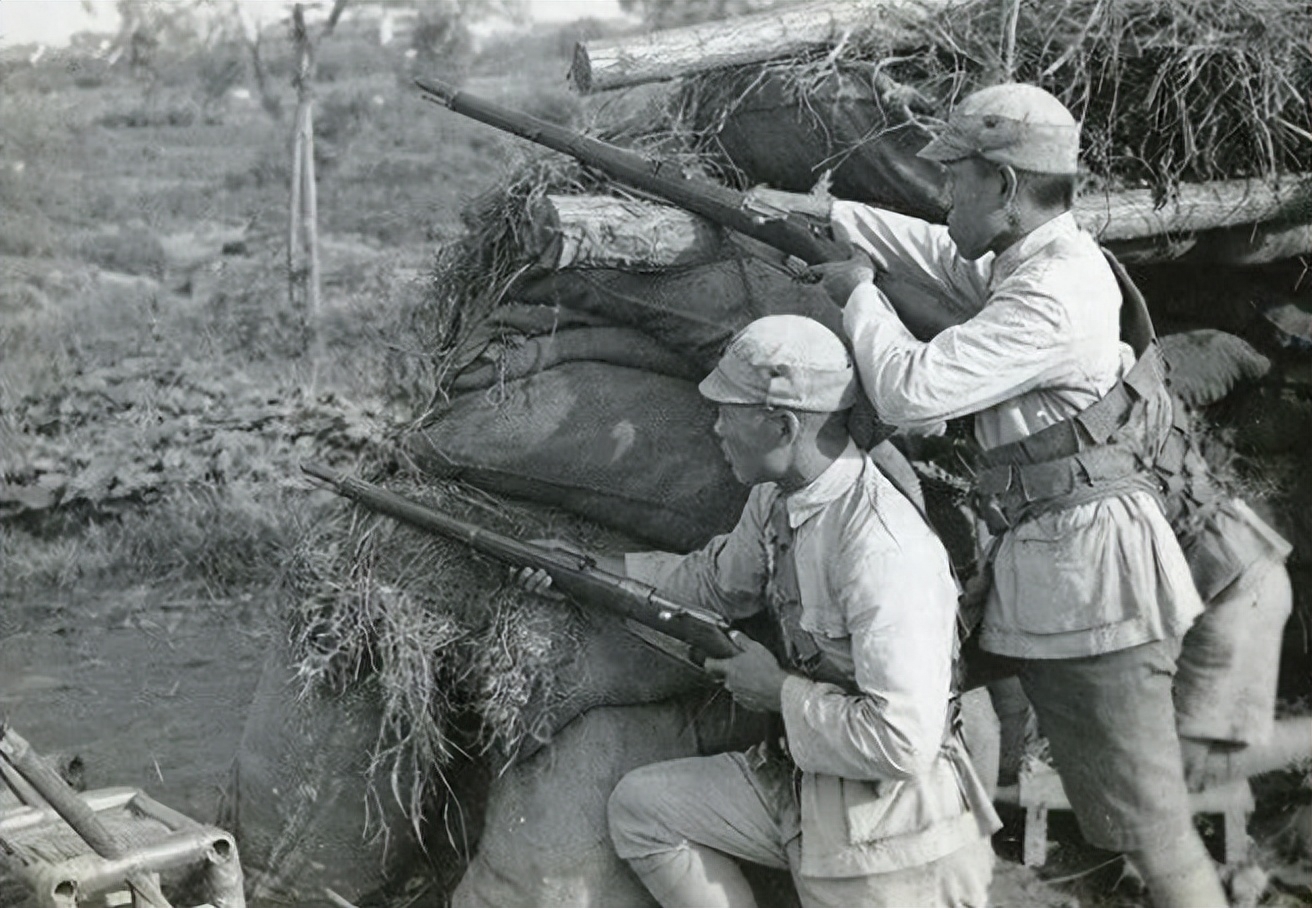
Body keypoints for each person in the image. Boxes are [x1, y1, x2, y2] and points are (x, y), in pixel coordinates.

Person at [817, 84, 1229, 907]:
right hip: (1052, 572)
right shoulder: (1035, 257)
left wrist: (858, 292)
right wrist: (827, 217)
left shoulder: (1055, 292)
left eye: (957, 178)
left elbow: (909, 392)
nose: (945, 194)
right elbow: (939, 252)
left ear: (1005, 188)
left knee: (1155, 831)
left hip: (1092, 590)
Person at [524, 314, 1000, 907]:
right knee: (644, 810)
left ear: (782, 425)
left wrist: (777, 692)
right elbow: (714, 582)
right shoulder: (779, 498)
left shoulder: (881, 549)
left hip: (894, 840)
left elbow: (903, 742)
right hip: (807, 788)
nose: (716, 428)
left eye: (729, 411)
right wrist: (584, 571)